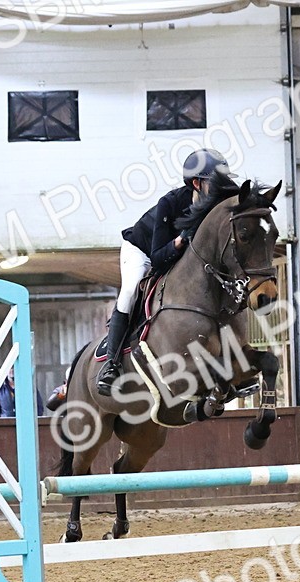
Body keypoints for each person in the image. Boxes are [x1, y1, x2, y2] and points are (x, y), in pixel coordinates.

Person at [96, 148, 237, 396]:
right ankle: (112, 364)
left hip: (177, 256)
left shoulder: (216, 206)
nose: (222, 187)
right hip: (142, 250)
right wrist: (180, 241)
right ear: (197, 183)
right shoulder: (170, 204)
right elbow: (159, 259)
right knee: (130, 290)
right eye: (217, 182)